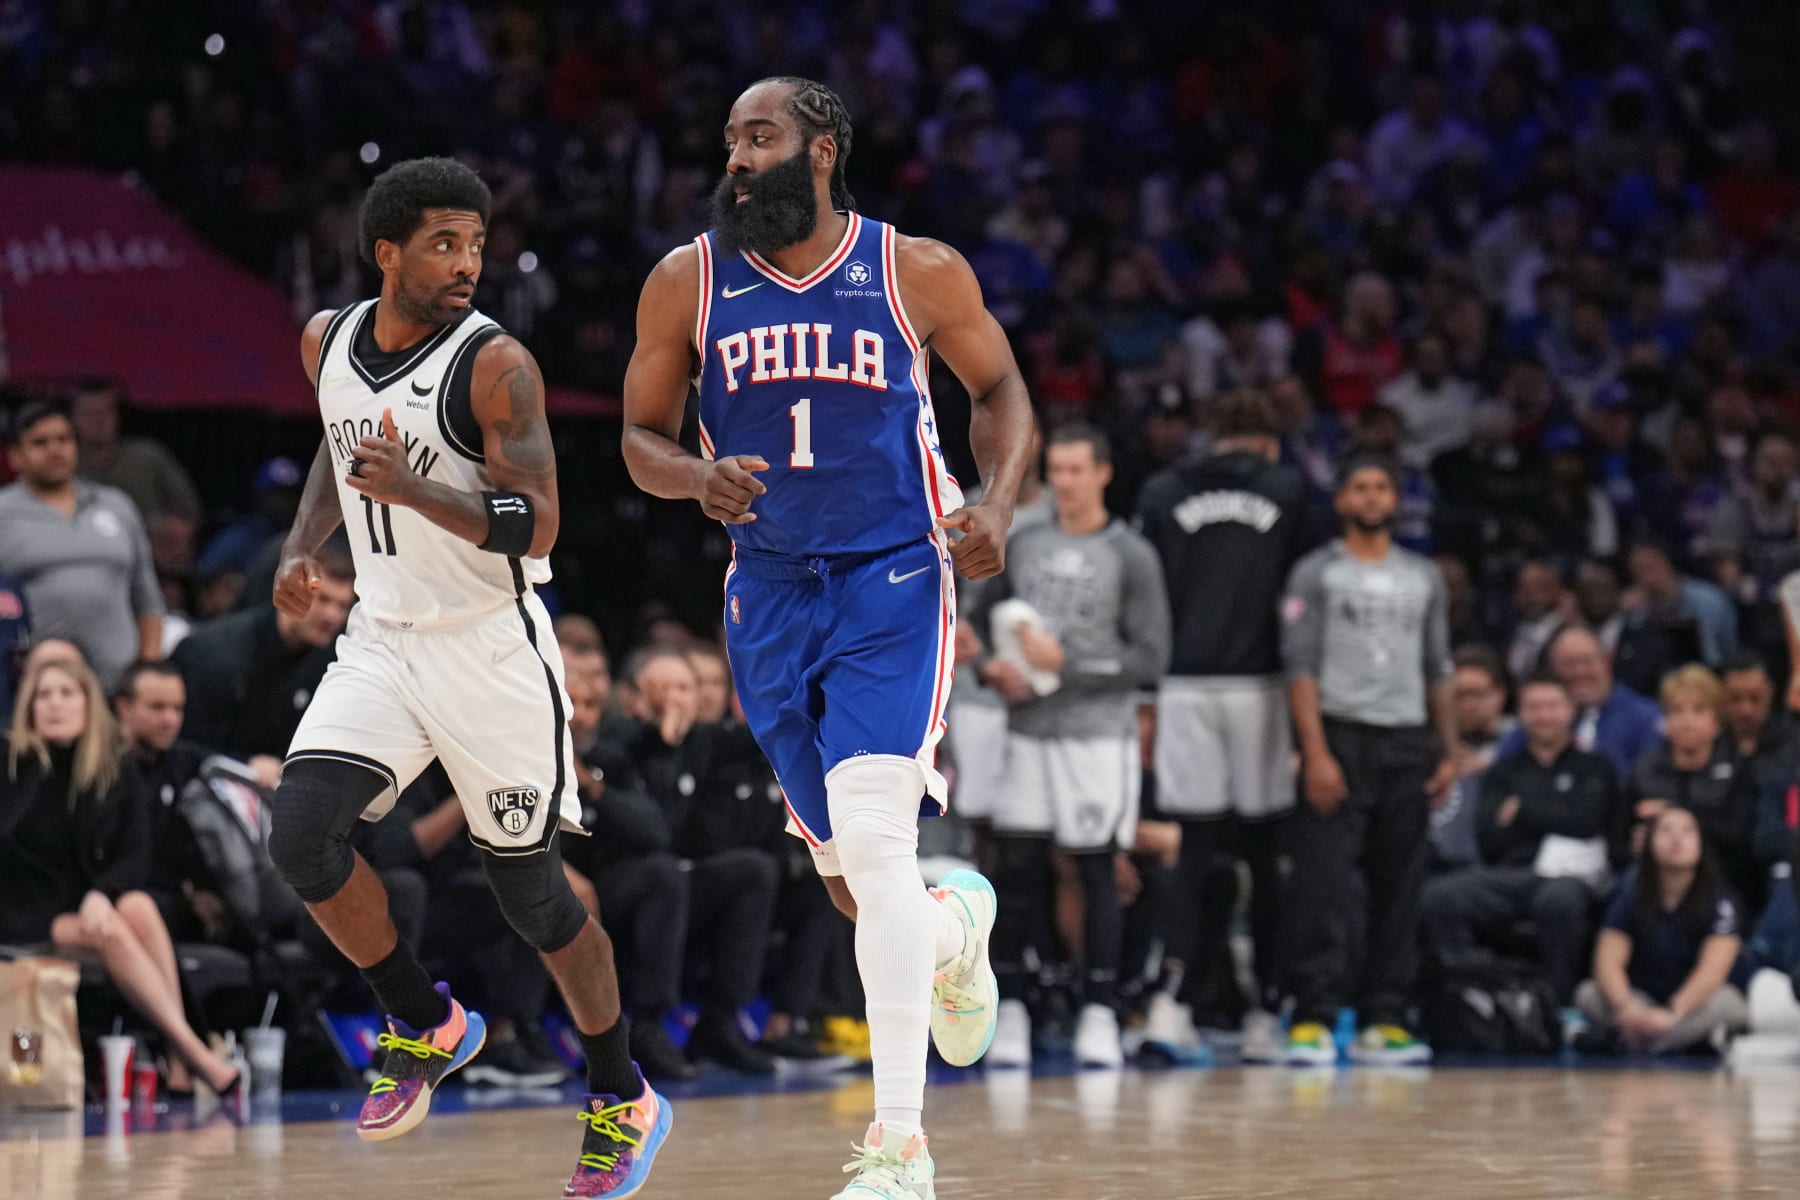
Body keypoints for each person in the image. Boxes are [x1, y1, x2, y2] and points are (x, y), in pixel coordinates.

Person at [622, 76, 1033, 1197]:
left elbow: (999, 389)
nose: (738, 157)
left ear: (822, 149)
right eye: (729, 139)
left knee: (875, 841)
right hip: (768, 592)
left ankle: (900, 1150)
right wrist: (694, 476)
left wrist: (993, 504)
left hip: (895, 578)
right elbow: (637, 439)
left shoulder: (915, 269)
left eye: (761, 136)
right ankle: (955, 932)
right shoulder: (687, 282)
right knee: (855, 883)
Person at [264, 157, 668, 1195]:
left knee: (530, 895)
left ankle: (622, 1092)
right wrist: (306, 549)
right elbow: (335, 443)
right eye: (445, 243)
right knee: (302, 837)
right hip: (386, 639)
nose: (467, 265)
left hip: (492, 646)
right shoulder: (328, 341)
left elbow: (539, 522)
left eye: (478, 245)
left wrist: (417, 489)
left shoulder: (500, 368)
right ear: (385, 250)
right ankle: (423, 1020)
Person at [971, 424, 1172, 1069]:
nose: (1063, 481)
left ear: (1104, 473)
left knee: (1095, 870)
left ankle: (1100, 1011)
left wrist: (1071, 663)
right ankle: (1016, 1008)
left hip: (1096, 737)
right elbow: (979, 620)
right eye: (1055, 470)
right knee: (1019, 867)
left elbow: (1150, 657)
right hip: (1028, 730)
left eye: (1076, 470)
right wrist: (989, 669)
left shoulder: (1130, 553)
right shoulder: (1024, 542)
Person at [1133, 388, 1303, 1062]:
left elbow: (1147, 601)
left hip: (1182, 684)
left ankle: (1172, 1002)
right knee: (1263, 855)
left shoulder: (1163, 490)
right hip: (1262, 685)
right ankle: (1266, 1011)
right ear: (1268, 441)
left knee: (1190, 848)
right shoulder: (1289, 489)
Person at [1280, 452, 1458, 1066]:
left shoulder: (1423, 575)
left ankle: (1386, 1016)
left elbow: (1438, 667)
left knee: (1401, 884)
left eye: (1383, 488)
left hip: (1408, 737)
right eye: (1361, 487)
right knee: (1324, 884)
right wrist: (1316, 752)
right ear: (1342, 500)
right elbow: (1299, 668)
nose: (1373, 497)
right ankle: (1313, 1016)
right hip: (1341, 735)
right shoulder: (1316, 572)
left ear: (1396, 499)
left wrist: (1450, 748)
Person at [0, 655, 239, 1096]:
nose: (54, 705)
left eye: (66, 694)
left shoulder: (112, 769)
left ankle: (179, 1057)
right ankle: (193, 1051)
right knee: (111, 927)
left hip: (84, 907)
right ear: (28, 706)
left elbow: (136, 856)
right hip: (24, 910)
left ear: (89, 704)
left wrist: (101, 894)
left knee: (137, 904)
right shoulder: (12, 764)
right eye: (43, 696)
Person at [1421, 673, 1618, 1004]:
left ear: (1570, 711)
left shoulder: (1595, 767)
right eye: (1534, 707)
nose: (1543, 715)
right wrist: (1558, 815)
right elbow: (1490, 837)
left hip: (1571, 877)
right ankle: (1467, 994)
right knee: (1440, 896)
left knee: (1558, 902)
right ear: (1521, 714)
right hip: (1510, 874)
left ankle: (1560, 1004)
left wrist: (1523, 811)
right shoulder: (1504, 770)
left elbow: (1588, 821)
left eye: (1552, 706)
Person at [0, 399, 164, 691]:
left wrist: (146, 670)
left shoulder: (117, 504)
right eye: (40, 442)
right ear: (15, 456)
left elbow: (147, 596)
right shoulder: (3, 513)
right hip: (37, 692)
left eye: (64, 439)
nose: (55, 449)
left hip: (118, 686)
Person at [171, 548, 354, 784]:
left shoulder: (329, 665)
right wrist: (244, 765)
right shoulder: (216, 655)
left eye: (342, 606)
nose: (332, 616)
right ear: (288, 592)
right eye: (322, 599)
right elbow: (182, 747)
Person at [1577, 806, 1749, 1054]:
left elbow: (1713, 969)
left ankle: (1640, 1045)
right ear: (1649, 842)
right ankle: (1670, 1042)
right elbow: (1608, 959)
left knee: (1731, 1005)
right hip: (1639, 998)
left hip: (1690, 1004)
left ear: (1701, 844)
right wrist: (1626, 1007)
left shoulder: (1719, 898)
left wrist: (1674, 1011)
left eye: (1687, 831)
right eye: (1666, 831)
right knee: (1588, 994)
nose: (1677, 839)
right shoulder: (1631, 891)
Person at [1625, 666, 1759, 910]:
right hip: (1653, 879)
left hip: (1724, 876)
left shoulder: (1739, 768)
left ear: (1716, 721)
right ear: (1664, 720)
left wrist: (1672, 819)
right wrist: (1638, 841)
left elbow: (1743, 837)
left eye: (1698, 711)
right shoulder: (1645, 770)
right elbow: (1619, 836)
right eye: (1676, 711)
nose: (1687, 721)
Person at [1500, 625, 1664, 782]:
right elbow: (1505, 765)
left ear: (1606, 662)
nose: (1579, 672)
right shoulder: (1541, 720)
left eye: (1587, 661)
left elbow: (1652, 779)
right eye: (1568, 664)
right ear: (1552, 669)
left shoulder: (1645, 717)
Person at [70, 379, 204, 528]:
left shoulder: (149, 458)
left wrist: (167, 525)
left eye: (106, 411)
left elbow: (189, 512)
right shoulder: (63, 468)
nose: (98, 420)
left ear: (118, 416)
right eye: (89, 413)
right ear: (74, 419)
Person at [1431, 646, 1516, 873]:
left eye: (1477, 694)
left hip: (1498, 862)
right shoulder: (1432, 744)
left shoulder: (1521, 739)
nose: (1469, 704)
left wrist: (1492, 769)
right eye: (1459, 695)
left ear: (1499, 695)